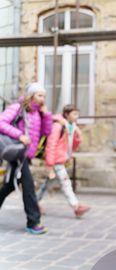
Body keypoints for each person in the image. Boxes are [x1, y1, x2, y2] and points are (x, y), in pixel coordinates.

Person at [0, 82, 52, 235]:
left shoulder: (38, 113)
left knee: (9, 186)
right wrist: (20, 135)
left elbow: (46, 132)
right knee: (28, 186)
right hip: (17, 152)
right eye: (39, 95)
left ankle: (33, 221)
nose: (42, 99)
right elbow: (1, 122)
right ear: (31, 95)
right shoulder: (18, 107)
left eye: (44, 96)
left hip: (25, 155)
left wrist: (47, 114)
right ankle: (33, 221)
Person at [40, 104, 90, 218]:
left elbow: (71, 145)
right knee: (66, 183)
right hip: (56, 160)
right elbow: (51, 145)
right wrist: (50, 163)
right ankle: (76, 206)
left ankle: (34, 202)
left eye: (78, 114)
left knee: (48, 183)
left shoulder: (71, 126)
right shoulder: (58, 126)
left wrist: (78, 136)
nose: (77, 117)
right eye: (74, 114)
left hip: (61, 159)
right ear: (67, 114)